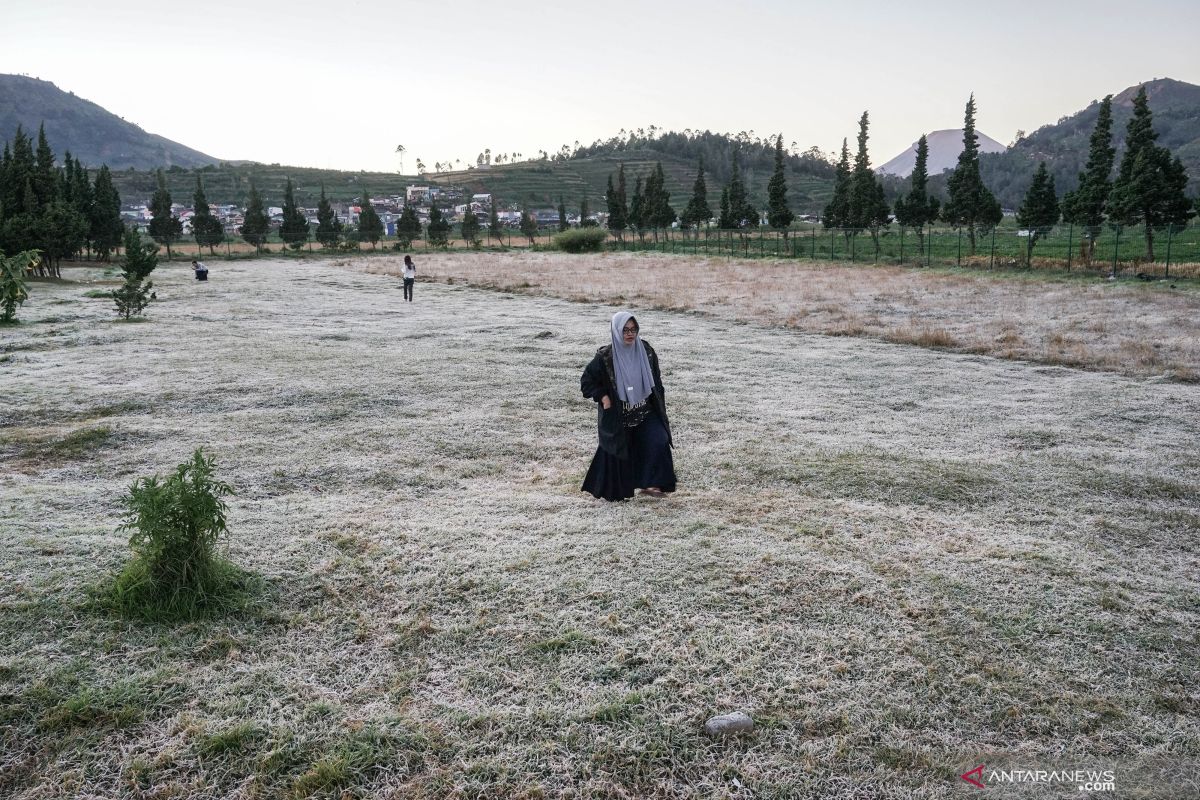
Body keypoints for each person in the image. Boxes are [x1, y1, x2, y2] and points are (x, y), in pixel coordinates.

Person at [580, 311, 676, 501]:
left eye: (633, 329)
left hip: (645, 411)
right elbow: (587, 382)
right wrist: (603, 397)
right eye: (625, 330)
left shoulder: (646, 351)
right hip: (618, 416)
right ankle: (616, 489)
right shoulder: (605, 357)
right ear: (616, 331)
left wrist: (659, 399)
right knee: (618, 452)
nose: (630, 334)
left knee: (659, 439)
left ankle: (652, 484)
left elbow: (656, 379)